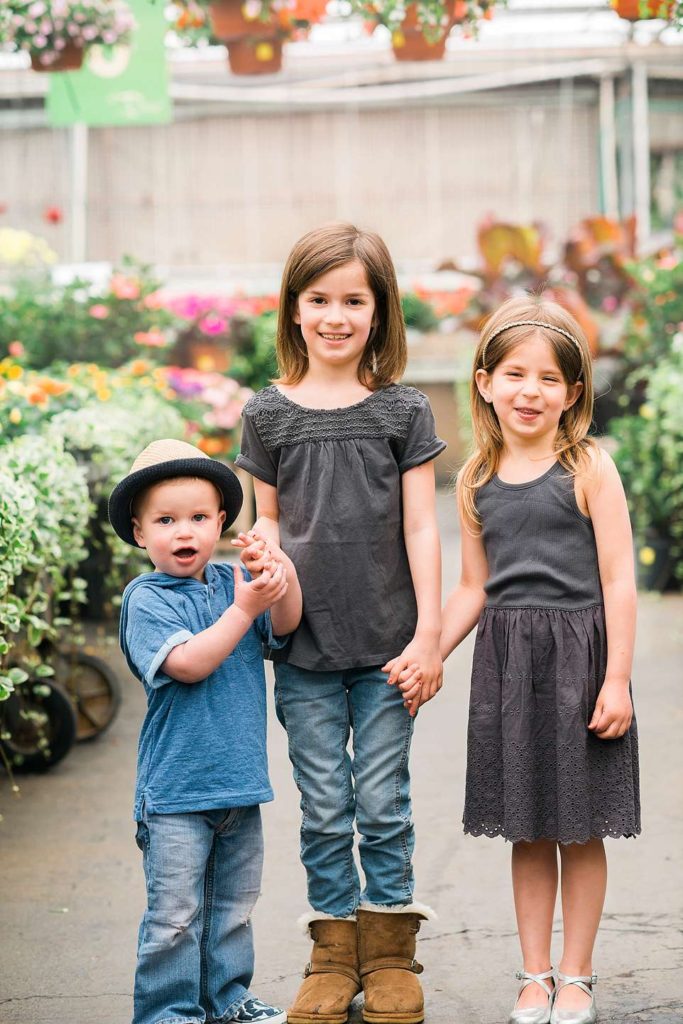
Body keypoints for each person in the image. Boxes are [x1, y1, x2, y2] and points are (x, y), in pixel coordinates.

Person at [234, 223, 446, 1024]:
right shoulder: (269, 414)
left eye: (352, 299)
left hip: (391, 648)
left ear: (378, 309)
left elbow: (423, 529)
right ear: (292, 310)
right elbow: (270, 525)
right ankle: (332, 955)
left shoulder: (401, 409)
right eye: (318, 299)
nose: (334, 315)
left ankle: (390, 953)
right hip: (303, 650)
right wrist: (259, 558)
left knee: (382, 801)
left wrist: (427, 637)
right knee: (324, 804)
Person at [439, 297, 640, 1024]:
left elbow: (619, 577)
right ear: (484, 382)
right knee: (526, 828)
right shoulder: (474, 479)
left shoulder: (586, 467)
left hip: (581, 666)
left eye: (549, 378)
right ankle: (532, 977)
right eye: (515, 374)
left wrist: (616, 678)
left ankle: (577, 977)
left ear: (573, 393)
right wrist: (428, 652)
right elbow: (473, 587)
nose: (531, 391)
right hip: (507, 673)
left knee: (580, 829)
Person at [108, 438, 303, 1024]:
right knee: (174, 915)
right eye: (166, 521)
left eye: (198, 518)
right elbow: (189, 663)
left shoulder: (229, 582)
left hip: (238, 784)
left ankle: (227, 998)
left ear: (221, 522)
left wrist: (280, 576)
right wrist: (245, 609)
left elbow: (285, 629)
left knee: (233, 909)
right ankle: (168, 1010)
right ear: (140, 533)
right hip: (174, 791)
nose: (184, 531)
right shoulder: (144, 599)